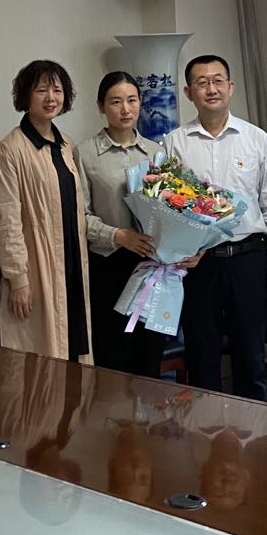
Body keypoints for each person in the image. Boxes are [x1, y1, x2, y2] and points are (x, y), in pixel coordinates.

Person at [161, 54, 267, 401]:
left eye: (217, 81)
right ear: (189, 92)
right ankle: (207, 429)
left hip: (248, 258)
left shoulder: (256, 139)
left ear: (230, 87)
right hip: (199, 264)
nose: (211, 89)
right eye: (201, 83)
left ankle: (254, 428)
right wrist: (182, 248)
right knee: (202, 353)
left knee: (251, 355)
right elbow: (168, 207)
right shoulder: (175, 142)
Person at [0, 59, 92, 362]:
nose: (51, 98)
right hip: (37, 266)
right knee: (41, 357)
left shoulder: (66, 145)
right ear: (26, 95)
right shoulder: (10, 149)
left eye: (57, 90)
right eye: (41, 90)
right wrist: (18, 279)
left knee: (74, 350)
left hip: (72, 262)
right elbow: (8, 219)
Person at [76, 71, 166, 377]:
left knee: (149, 357)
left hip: (152, 266)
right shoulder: (85, 153)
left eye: (131, 100)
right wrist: (118, 235)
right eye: (115, 102)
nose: (125, 109)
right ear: (101, 106)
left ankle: (149, 411)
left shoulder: (156, 152)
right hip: (109, 265)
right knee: (113, 359)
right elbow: (80, 216)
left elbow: (170, 209)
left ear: (140, 102)